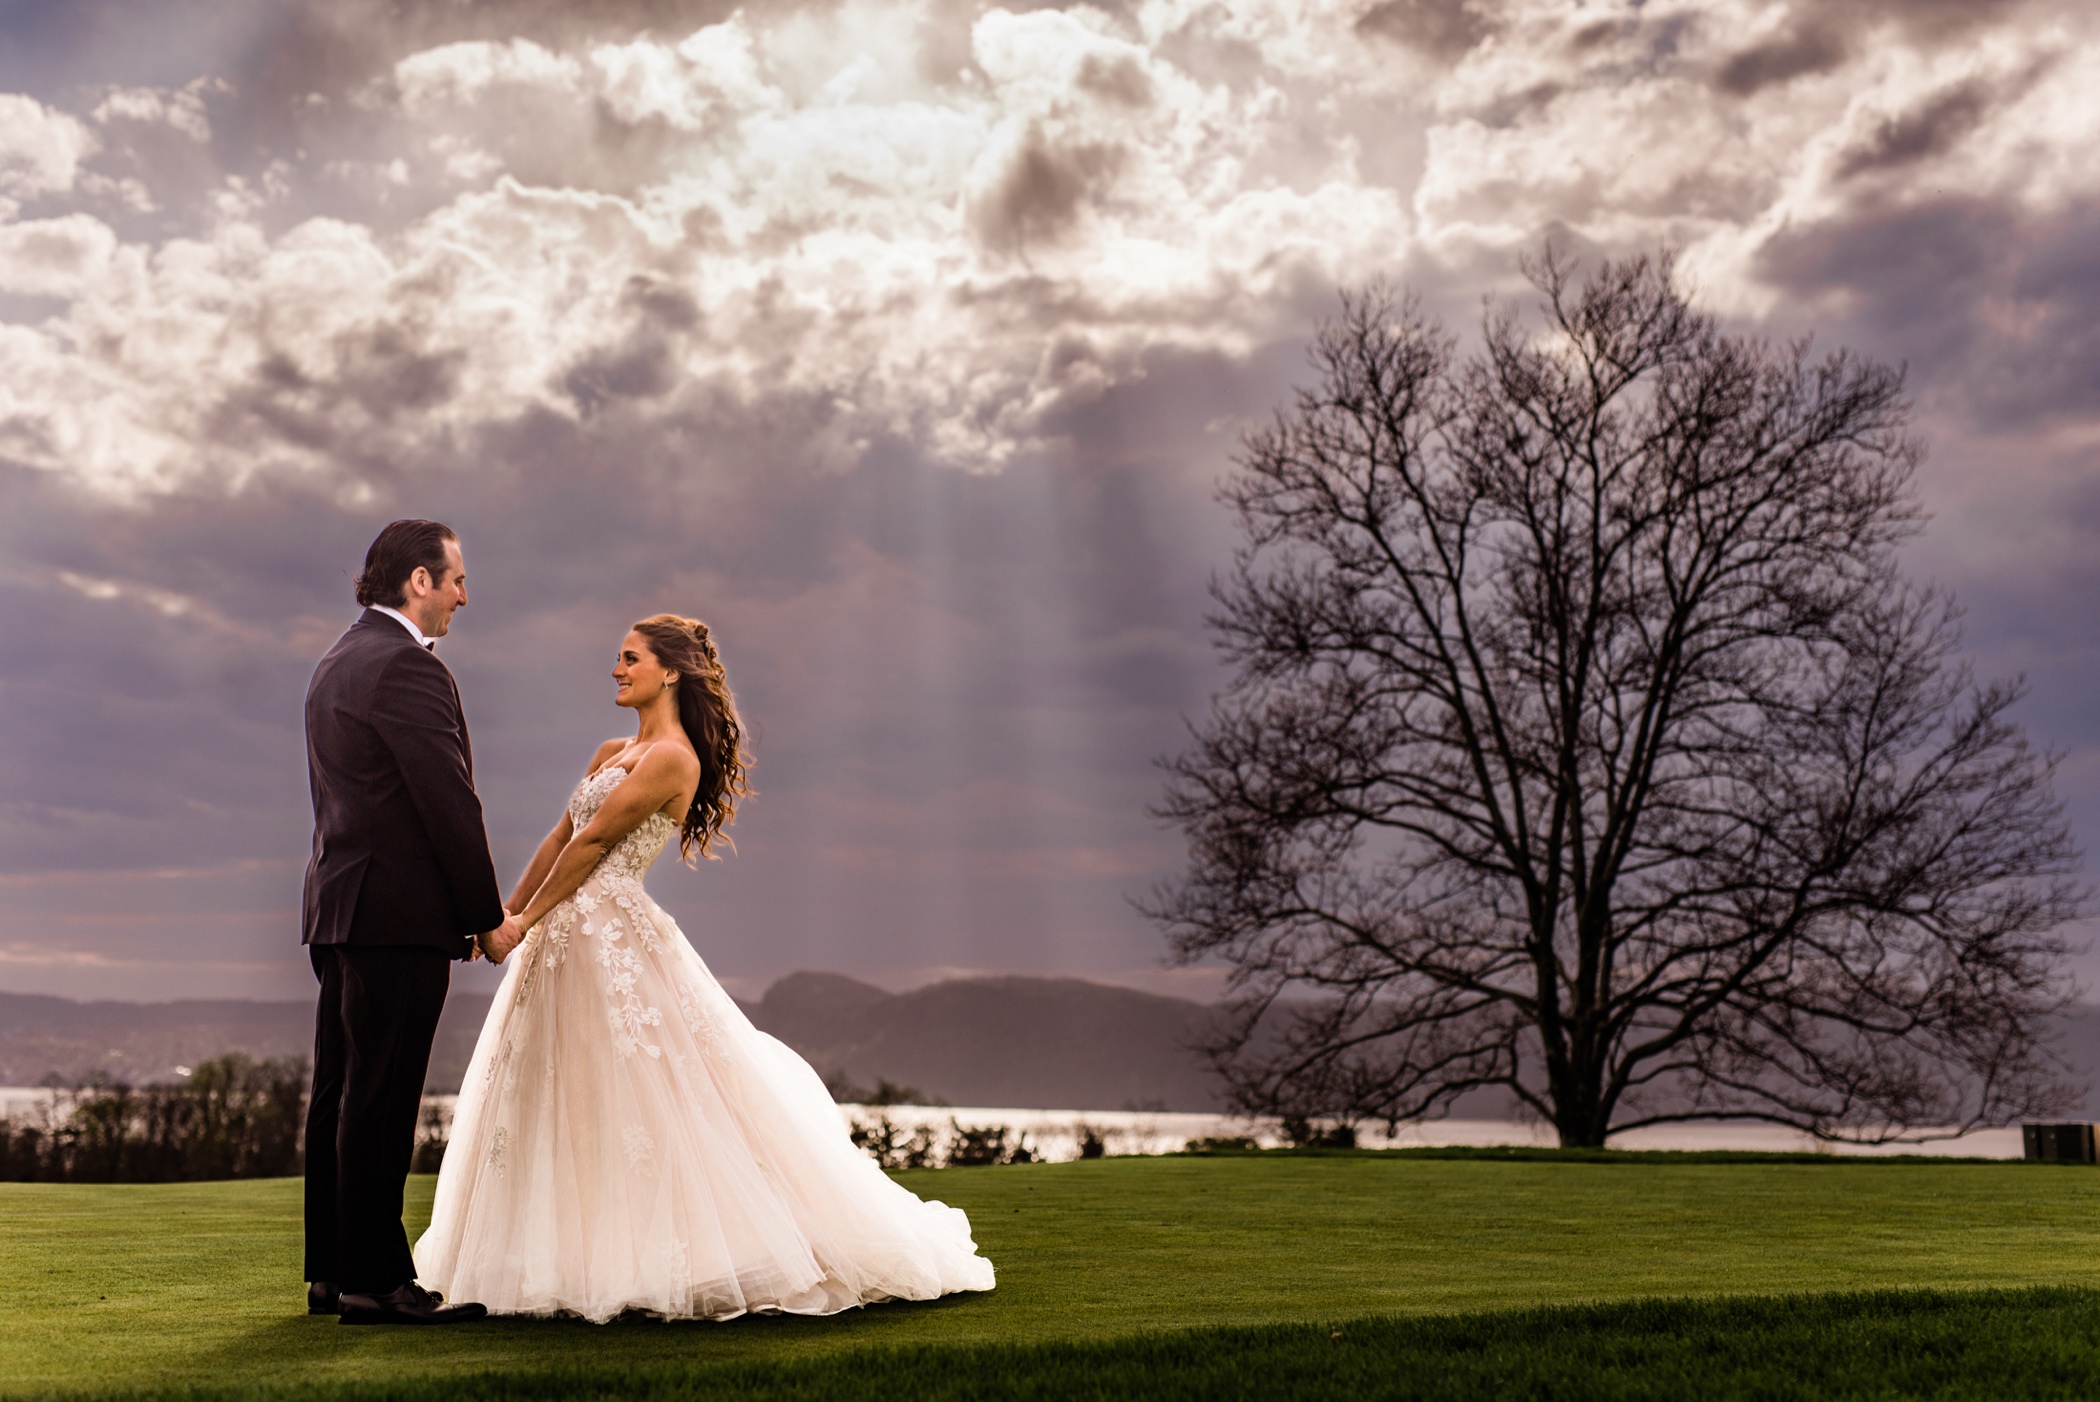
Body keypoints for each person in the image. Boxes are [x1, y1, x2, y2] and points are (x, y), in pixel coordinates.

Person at [413, 615, 995, 1320]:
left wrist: (522, 925)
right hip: (562, 936)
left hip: (611, 939)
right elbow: (561, 834)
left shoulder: (673, 759)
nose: (618, 671)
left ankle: (649, 1261)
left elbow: (597, 842)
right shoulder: (611, 749)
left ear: (670, 671)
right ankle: (561, 1257)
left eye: (630, 659)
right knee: (559, 1089)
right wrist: (504, 915)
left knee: (635, 1089)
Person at [301, 520, 521, 1325]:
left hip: (340, 909)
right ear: (419, 581)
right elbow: (447, 802)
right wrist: (485, 918)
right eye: (456, 578)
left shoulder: (338, 659)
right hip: (396, 916)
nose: (465, 594)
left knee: (340, 1094)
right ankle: (376, 1282)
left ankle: (331, 1271)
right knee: (382, 1098)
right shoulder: (406, 668)